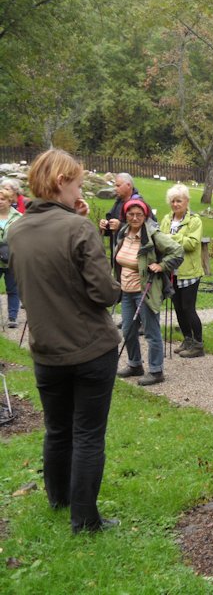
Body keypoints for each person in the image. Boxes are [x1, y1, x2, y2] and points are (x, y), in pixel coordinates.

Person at [8, 149, 121, 533]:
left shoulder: (16, 229)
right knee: (88, 433)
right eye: (76, 182)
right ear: (61, 182)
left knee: (57, 428)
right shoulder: (77, 228)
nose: (79, 189)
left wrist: (78, 221)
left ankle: (58, 498)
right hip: (90, 346)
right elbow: (104, 293)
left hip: (46, 350)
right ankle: (85, 519)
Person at [114, 199, 183, 386]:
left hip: (145, 290)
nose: (134, 218)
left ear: (145, 216)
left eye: (139, 214)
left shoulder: (152, 234)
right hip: (127, 290)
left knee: (152, 332)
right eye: (131, 214)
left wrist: (161, 266)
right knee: (128, 329)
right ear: (125, 215)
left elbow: (177, 251)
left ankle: (156, 370)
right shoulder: (123, 232)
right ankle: (135, 364)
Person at [160, 184, 204, 358]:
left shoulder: (194, 220)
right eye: (173, 201)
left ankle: (198, 344)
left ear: (186, 201)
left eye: (179, 200)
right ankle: (187, 339)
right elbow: (159, 239)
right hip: (172, 271)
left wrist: (172, 237)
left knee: (188, 308)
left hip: (189, 271)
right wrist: (171, 240)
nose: (176, 204)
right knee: (178, 307)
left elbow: (192, 243)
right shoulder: (166, 219)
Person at [0, 186, 23, 327]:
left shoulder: (18, 218)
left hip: (12, 260)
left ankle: (13, 317)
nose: (0, 202)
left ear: (10, 201)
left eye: (3, 199)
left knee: (13, 289)